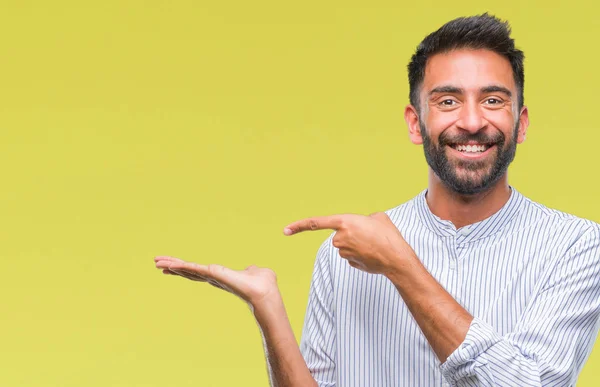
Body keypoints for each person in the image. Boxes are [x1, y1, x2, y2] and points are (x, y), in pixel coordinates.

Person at [154, 13, 600, 387]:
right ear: (415, 123)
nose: (470, 120)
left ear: (520, 124)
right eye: (447, 100)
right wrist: (267, 308)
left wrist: (400, 265)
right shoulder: (342, 253)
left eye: (493, 100)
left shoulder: (577, 246)